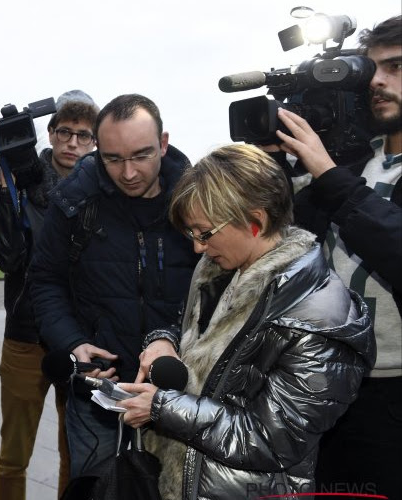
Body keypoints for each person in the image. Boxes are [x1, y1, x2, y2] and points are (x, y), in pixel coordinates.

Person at [118, 144, 375, 499]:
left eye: (204, 233)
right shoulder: (218, 269)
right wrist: (163, 340)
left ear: (256, 221)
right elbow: (196, 338)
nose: (196, 248)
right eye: (190, 233)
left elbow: (273, 440)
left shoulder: (320, 315)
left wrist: (162, 408)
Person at [29, 93, 199, 478]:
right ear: (98, 151)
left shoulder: (195, 202)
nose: (127, 173)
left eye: (141, 155)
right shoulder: (74, 200)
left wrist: (170, 338)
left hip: (178, 391)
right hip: (98, 396)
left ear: (164, 143)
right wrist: (72, 343)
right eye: (113, 158)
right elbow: (44, 280)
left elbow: (219, 289)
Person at [273, 15, 401, 497]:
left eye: (395, 67)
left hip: (392, 392)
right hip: (326, 384)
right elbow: (282, 240)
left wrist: (329, 175)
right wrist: (275, 164)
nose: (377, 82)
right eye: (371, 70)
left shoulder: (336, 172)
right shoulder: (350, 160)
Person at [0, 90, 99, 499]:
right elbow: (7, 258)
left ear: (94, 142)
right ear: (50, 134)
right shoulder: (21, 182)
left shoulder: (98, 191)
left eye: (83, 136)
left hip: (77, 339)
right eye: (65, 132)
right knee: (13, 454)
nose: (73, 143)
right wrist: (6, 191)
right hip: (24, 336)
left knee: (76, 452)